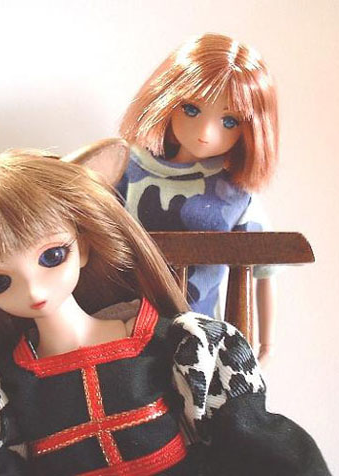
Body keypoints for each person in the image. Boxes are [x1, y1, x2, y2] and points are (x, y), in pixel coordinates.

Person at [0, 139, 329, 475]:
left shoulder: (179, 345)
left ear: (84, 247)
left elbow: (250, 441)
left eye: (52, 256)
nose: (33, 289)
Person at [119, 33, 279, 365]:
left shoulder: (234, 193)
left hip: (202, 340)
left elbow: (263, 269)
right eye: (191, 109)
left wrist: (265, 342)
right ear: (164, 99)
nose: (206, 132)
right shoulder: (127, 169)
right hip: (126, 332)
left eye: (229, 121)